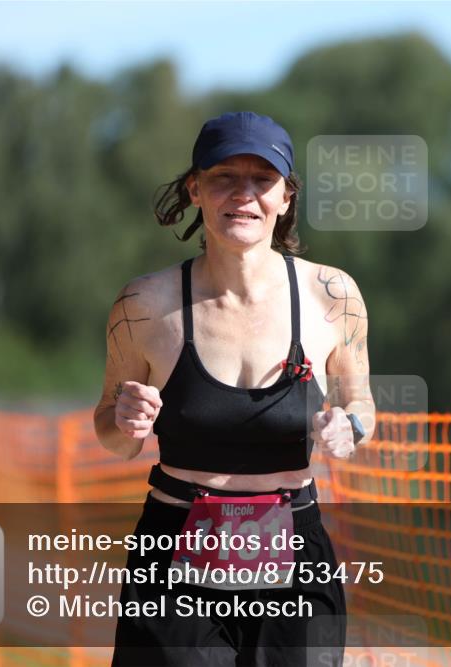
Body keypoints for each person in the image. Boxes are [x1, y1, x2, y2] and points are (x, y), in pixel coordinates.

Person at [93, 111, 375, 666]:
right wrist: (124, 421)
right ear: (195, 189)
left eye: (262, 180)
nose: (243, 195)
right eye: (224, 177)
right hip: (175, 554)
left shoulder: (332, 296)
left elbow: (361, 403)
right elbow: (113, 435)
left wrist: (351, 426)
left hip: (296, 552)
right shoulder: (144, 305)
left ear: (286, 197)